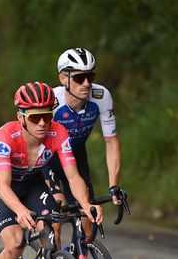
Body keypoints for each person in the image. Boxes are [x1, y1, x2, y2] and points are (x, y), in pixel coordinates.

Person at [0, 81, 103, 259]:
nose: (42, 123)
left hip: (32, 182)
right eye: (35, 117)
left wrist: (86, 203)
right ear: (21, 117)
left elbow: (73, 177)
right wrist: (20, 210)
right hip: (2, 185)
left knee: (53, 235)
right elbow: (3, 187)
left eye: (47, 116)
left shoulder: (58, 133)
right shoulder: (6, 138)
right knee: (15, 242)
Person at [43, 48, 123, 242]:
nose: (87, 83)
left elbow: (111, 141)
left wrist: (113, 185)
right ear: (63, 79)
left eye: (90, 76)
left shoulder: (101, 96)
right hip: (48, 157)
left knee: (88, 227)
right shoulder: (51, 102)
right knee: (55, 222)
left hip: (76, 154)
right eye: (79, 78)